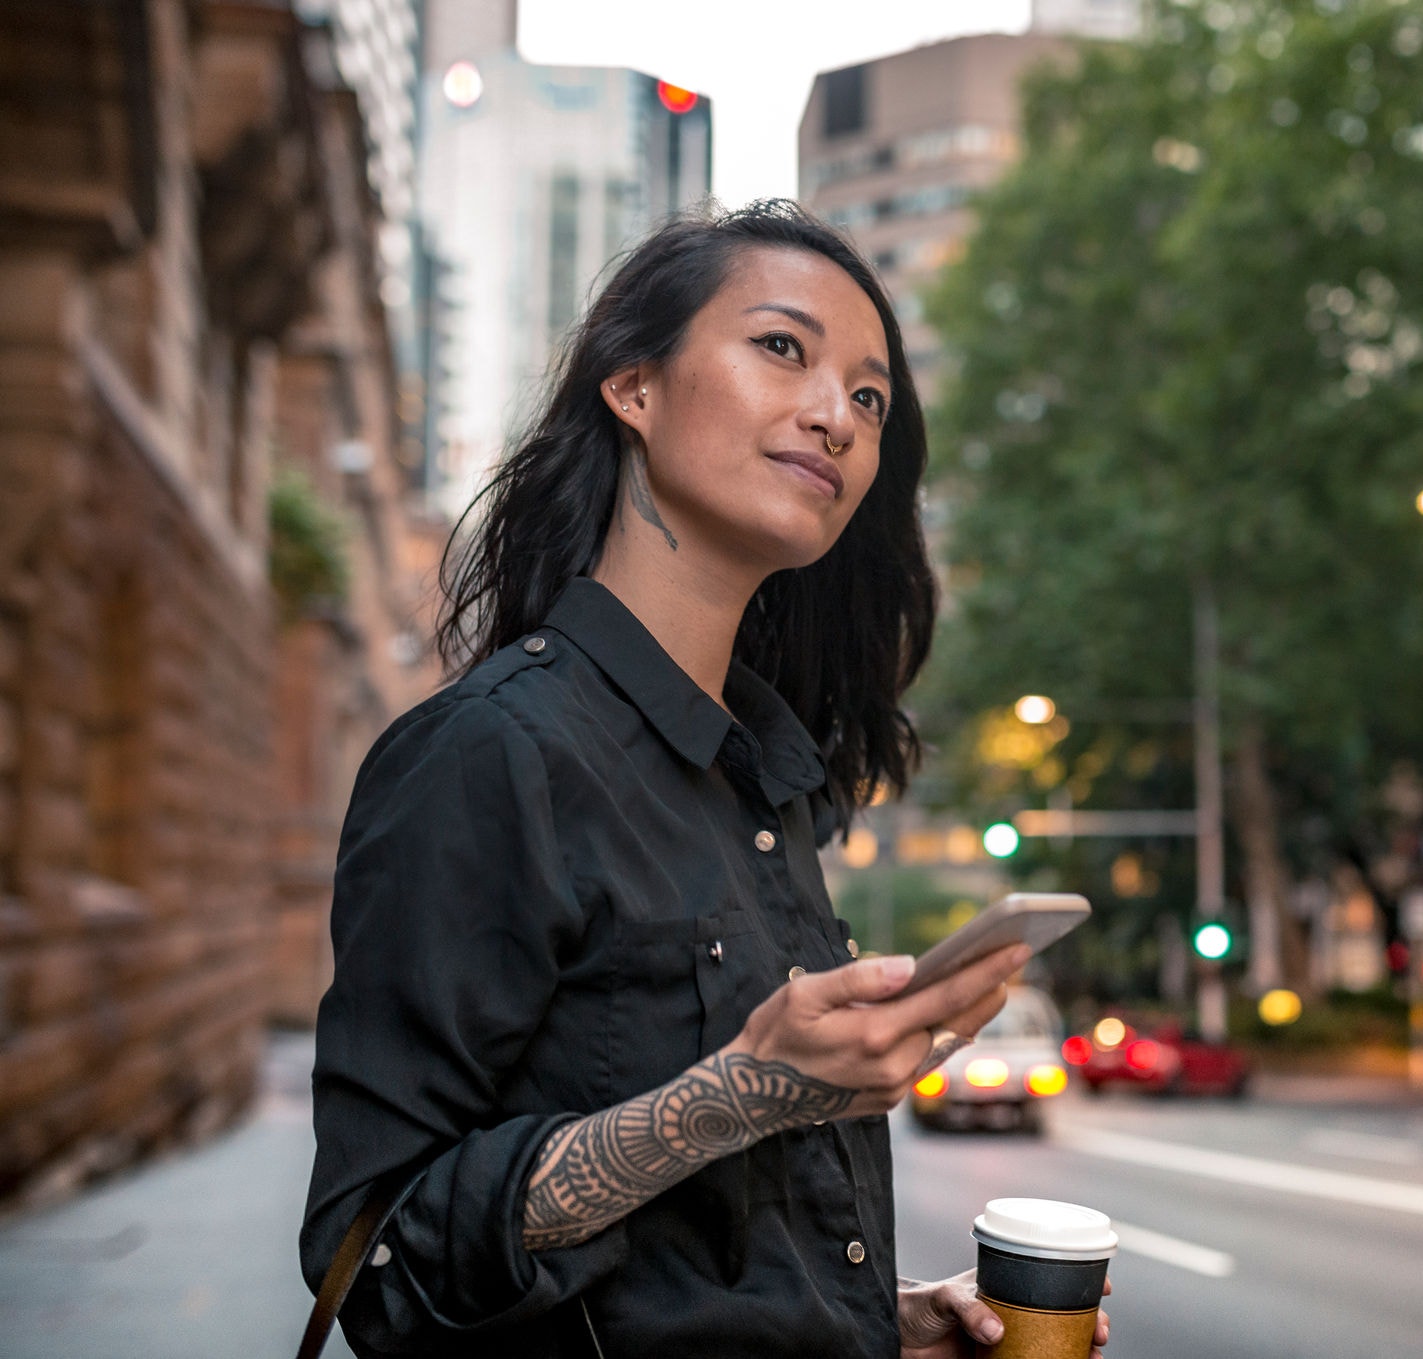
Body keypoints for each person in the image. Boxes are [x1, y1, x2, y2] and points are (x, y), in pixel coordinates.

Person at [301, 200, 1111, 1359]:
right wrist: (743, 1088)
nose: (835, 414)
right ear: (633, 387)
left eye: (870, 398)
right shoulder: (491, 753)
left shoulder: (766, 788)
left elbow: (681, 1283)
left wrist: (871, 1327)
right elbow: (378, 1258)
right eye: (783, 348)